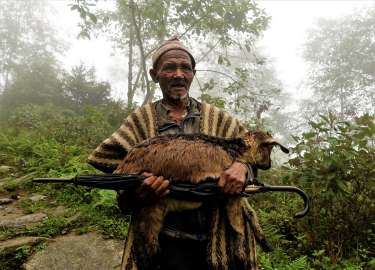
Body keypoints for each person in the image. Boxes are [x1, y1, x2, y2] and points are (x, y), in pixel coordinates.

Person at [88, 37, 268, 270]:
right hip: (164, 244)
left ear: (193, 73)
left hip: (218, 239)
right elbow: (115, 169)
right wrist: (138, 192)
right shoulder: (140, 122)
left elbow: (253, 156)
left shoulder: (219, 120)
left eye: (185, 68)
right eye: (170, 68)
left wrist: (242, 168)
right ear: (155, 75)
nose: (178, 74)